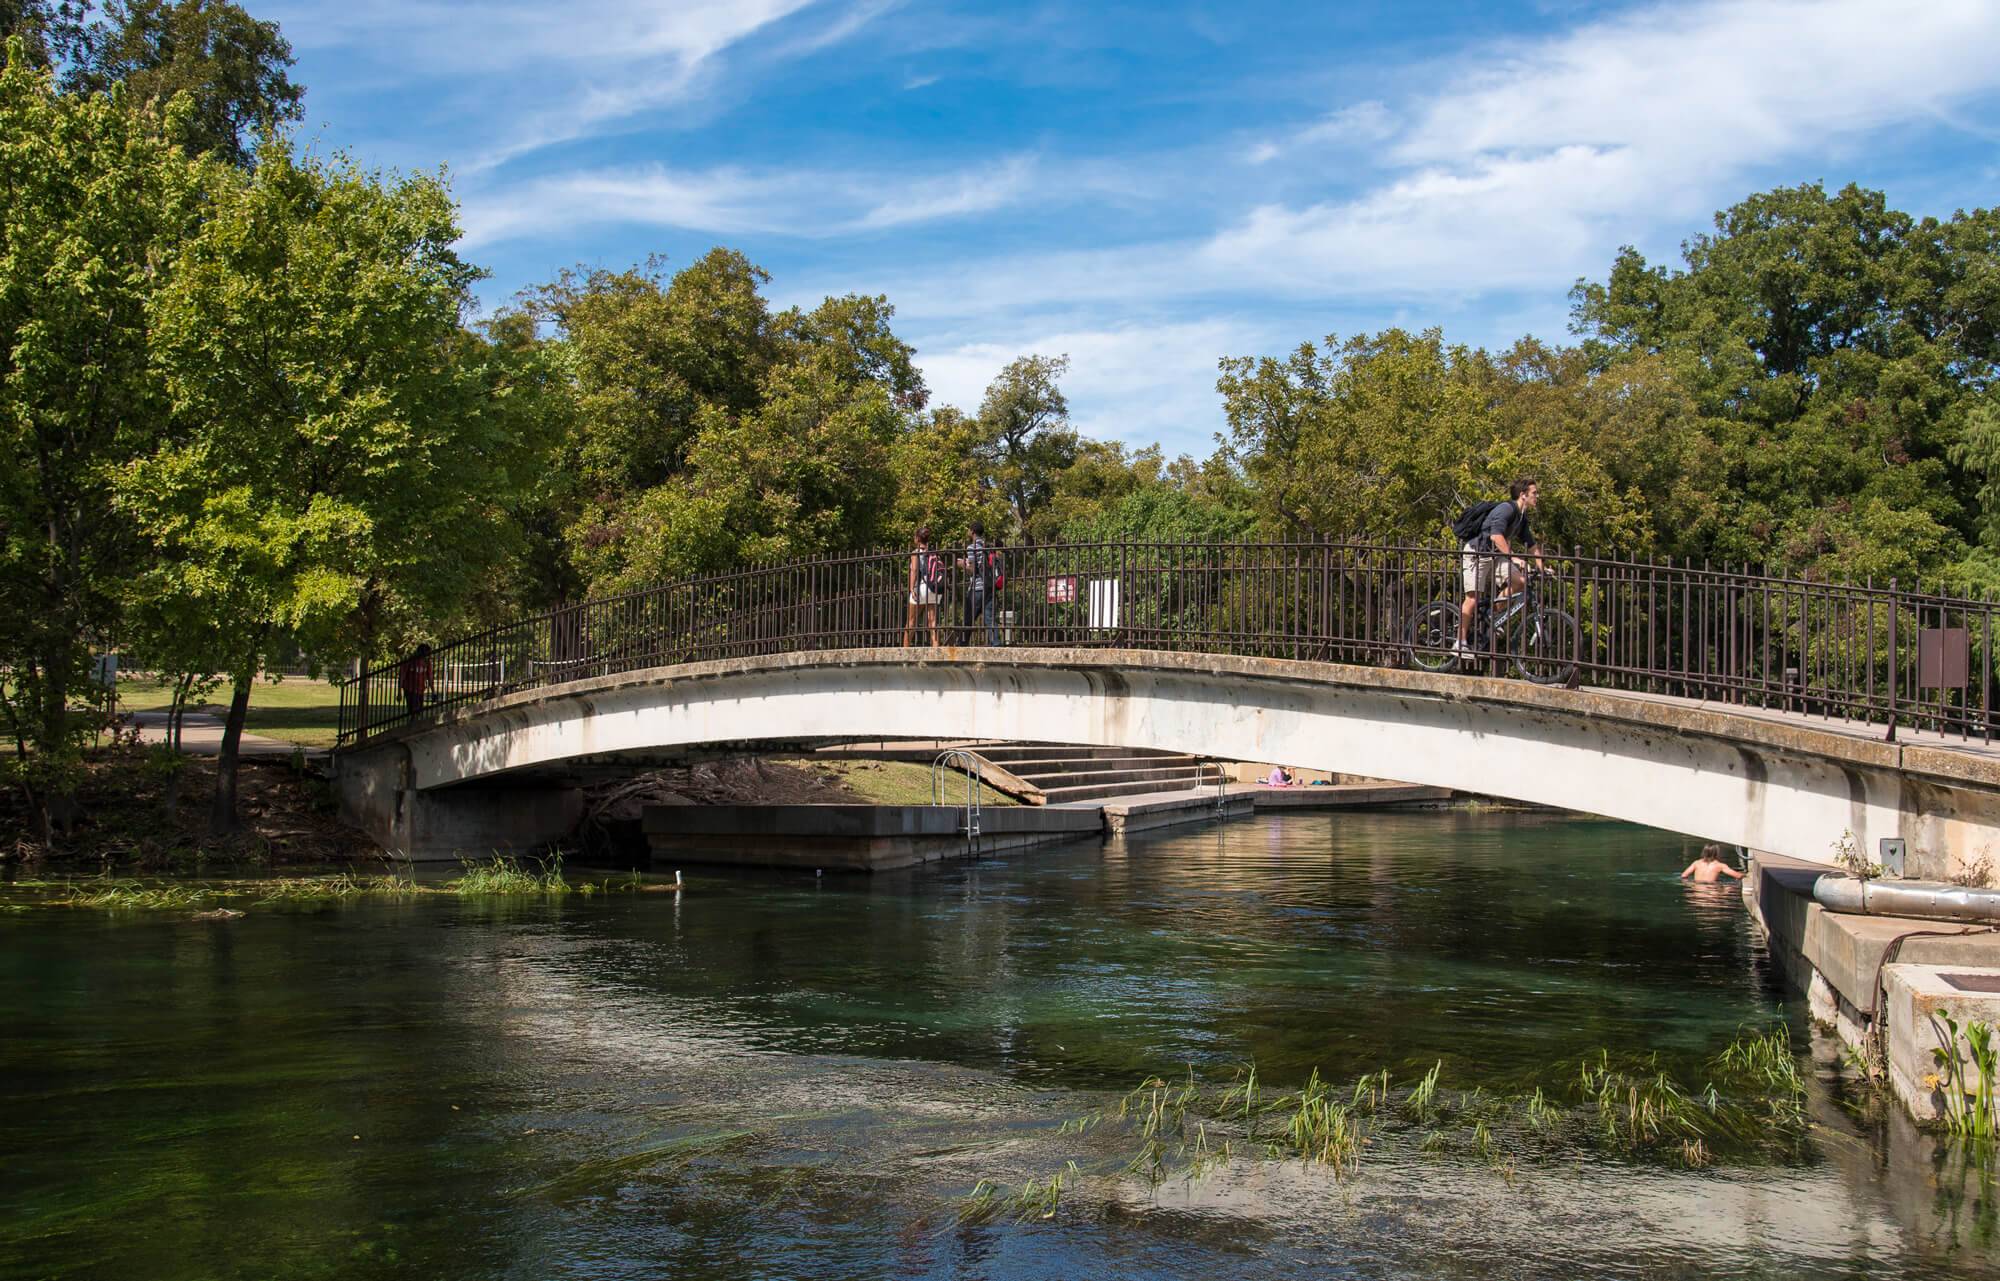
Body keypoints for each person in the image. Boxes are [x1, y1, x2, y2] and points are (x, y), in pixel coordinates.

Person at [1457, 478, 1545, 658]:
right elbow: (1496, 537)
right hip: (1478, 553)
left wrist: (1542, 568)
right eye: (1534, 493)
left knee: (1520, 582)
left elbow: (1532, 545)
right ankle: (1460, 642)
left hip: (1495, 556)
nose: (1537, 496)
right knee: (1472, 598)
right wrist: (1515, 559)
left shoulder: (1521, 517)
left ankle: (1491, 615)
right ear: (1523, 495)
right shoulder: (1506, 509)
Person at [957, 520, 1002, 646]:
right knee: (990, 618)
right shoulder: (988, 547)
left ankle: (962, 644)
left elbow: (972, 570)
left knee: (968, 617)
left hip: (977, 588)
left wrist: (962, 564)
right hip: (990, 587)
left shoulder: (972, 547)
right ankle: (996, 644)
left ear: (972, 532)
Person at [903, 526, 944, 646]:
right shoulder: (933, 552)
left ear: (917, 539)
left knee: (911, 621)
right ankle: (936, 648)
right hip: (933, 588)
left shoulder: (916, 552)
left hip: (921, 587)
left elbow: (915, 570)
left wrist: (911, 588)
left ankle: (905, 650)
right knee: (932, 621)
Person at [399, 643, 432, 719]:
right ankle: (413, 724)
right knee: (413, 710)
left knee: (418, 710)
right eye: (427, 653)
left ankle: (414, 724)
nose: (428, 655)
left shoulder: (427, 663)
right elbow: (402, 676)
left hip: (420, 690)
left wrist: (433, 691)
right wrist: (399, 692)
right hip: (410, 689)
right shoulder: (410, 661)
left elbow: (430, 677)